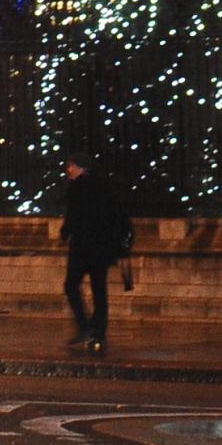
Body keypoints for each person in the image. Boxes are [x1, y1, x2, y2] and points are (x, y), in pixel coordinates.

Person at [58, 146, 130, 354]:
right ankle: (98, 331)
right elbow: (117, 213)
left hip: (83, 246)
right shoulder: (104, 186)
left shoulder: (76, 189)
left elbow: (74, 216)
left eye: (70, 166)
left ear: (80, 168)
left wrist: (65, 233)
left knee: (71, 285)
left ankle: (84, 327)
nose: (68, 170)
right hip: (103, 248)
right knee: (100, 290)